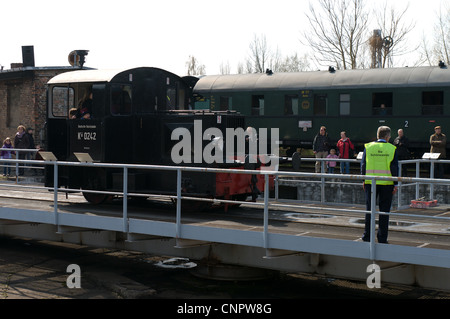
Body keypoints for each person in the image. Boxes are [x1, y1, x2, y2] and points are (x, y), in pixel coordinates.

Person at [361, 126, 399, 244]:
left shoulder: (368, 147)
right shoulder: (392, 148)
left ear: (378, 135)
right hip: (387, 184)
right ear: (387, 136)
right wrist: (395, 183)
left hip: (370, 182)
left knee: (369, 210)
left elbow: (363, 165)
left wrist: (364, 180)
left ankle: (367, 236)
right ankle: (382, 238)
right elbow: (394, 168)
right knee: (384, 212)